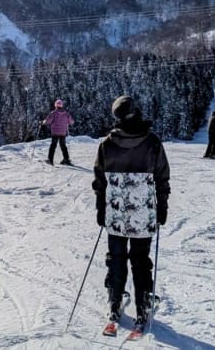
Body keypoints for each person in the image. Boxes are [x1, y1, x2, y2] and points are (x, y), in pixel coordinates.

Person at [93, 95, 170, 331]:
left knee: (116, 256)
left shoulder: (107, 144)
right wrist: (162, 205)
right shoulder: (152, 142)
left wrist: (101, 208)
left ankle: (114, 300)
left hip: (116, 211)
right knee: (139, 258)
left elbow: (100, 180)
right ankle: (143, 301)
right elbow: (161, 176)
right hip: (142, 211)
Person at [43, 99, 74, 165]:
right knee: (63, 146)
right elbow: (71, 122)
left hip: (55, 133)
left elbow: (48, 121)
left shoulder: (53, 113)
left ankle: (50, 160)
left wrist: (43, 122)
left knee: (53, 146)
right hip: (63, 133)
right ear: (62, 105)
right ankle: (66, 159)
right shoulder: (66, 113)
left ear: (55, 105)